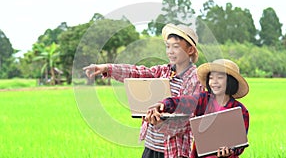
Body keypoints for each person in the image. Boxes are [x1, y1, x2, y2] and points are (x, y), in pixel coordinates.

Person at [83, 23, 203, 158]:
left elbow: (189, 120)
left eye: (176, 47)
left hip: (174, 151)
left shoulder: (195, 79)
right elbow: (138, 72)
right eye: (167, 46)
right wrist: (107, 68)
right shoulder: (163, 71)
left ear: (190, 50)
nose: (170, 51)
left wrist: (161, 123)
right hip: (151, 147)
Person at [146, 59, 250, 158]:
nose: (214, 81)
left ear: (230, 81)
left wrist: (229, 151)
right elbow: (183, 102)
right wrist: (164, 104)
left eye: (220, 77)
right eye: (211, 77)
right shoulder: (203, 99)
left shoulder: (240, 110)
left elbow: (240, 143)